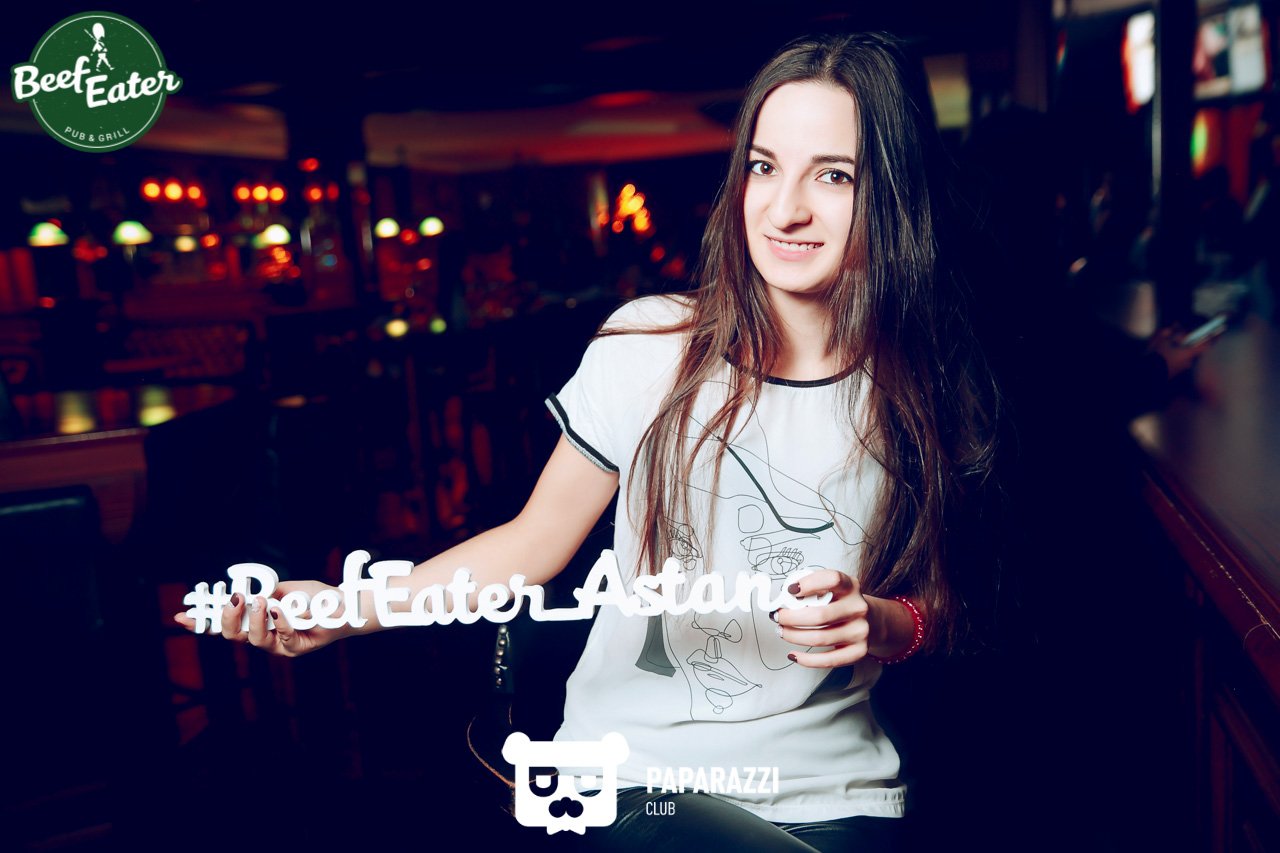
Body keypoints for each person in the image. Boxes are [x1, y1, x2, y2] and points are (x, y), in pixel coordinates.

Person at [176, 32, 997, 852]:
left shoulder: (924, 384)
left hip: (834, 788)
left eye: (834, 175)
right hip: (634, 774)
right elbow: (531, 543)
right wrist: (344, 609)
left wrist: (885, 624)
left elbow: (946, 602)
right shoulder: (651, 344)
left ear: (893, 193)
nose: (785, 209)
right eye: (763, 166)